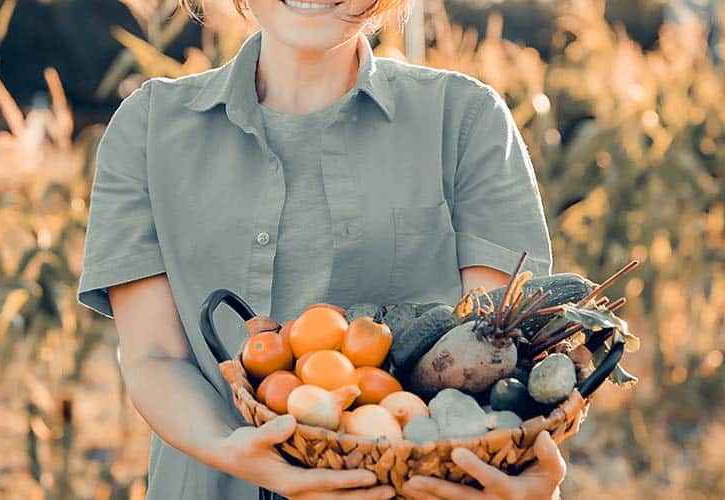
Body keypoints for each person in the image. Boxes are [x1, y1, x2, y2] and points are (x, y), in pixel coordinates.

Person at [76, 0, 563, 497]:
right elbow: (155, 356)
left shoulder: (466, 122)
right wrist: (235, 450)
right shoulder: (148, 128)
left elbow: (493, 363)